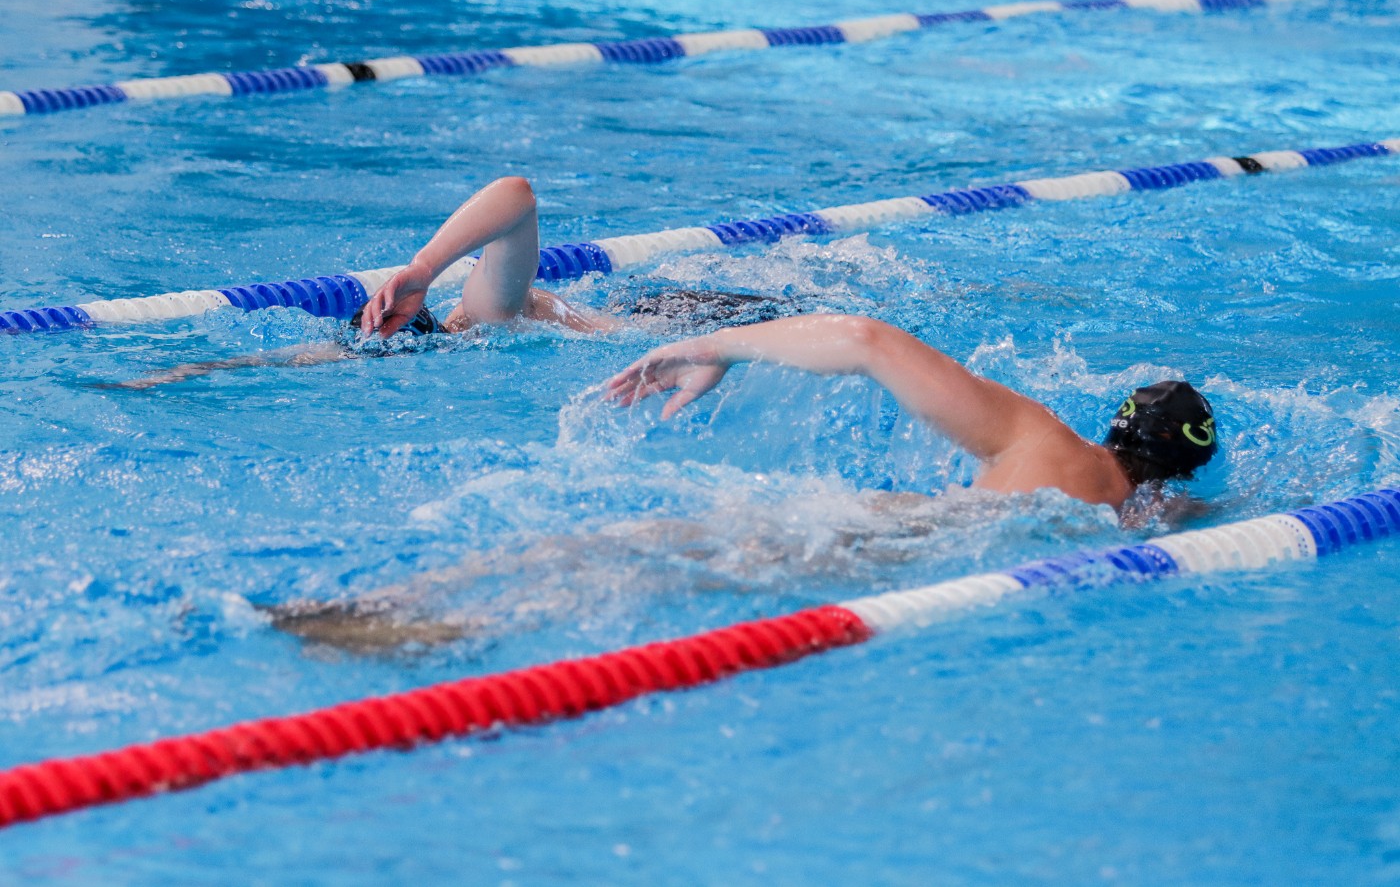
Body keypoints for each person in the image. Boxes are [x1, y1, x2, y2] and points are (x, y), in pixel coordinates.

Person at [109, 177, 793, 389]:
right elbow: (309, 357)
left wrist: (423, 267)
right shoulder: (439, 340)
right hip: (650, 315)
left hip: (688, 318)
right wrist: (195, 369)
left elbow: (518, 195)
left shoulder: (481, 312)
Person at [605, 314, 1218, 515]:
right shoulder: (1150, 519)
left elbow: (868, 340)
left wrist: (719, 346)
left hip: (876, 535)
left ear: (1115, 422)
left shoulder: (1041, 437)